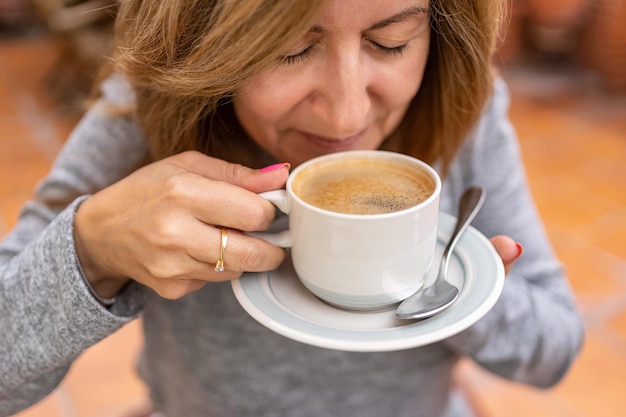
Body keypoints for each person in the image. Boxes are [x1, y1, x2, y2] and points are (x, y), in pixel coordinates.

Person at [0, 0, 584, 416]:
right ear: (204, 44)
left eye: (391, 43)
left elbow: (555, 350)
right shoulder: (143, 116)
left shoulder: (465, 110)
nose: (346, 116)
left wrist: (463, 294)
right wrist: (91, 249)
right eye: (288, 51)